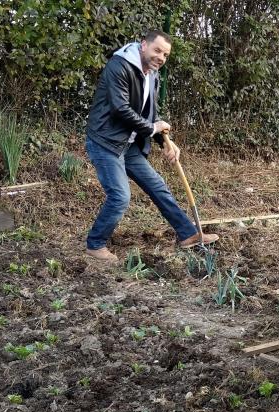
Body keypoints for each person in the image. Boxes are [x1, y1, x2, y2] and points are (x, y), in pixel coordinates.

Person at [83, 29, 218, 262]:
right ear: (143, 45)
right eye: (157, 50)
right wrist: (154, 128)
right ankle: (95, 244)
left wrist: (165, 141)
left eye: (165, 55)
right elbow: (121, 109)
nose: (161, 58)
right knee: (120, 196)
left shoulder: (151, 74)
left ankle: (187, 234)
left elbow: (149, 114)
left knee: (157, 186)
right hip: (106, 142)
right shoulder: (120, 66)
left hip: (130, 145)